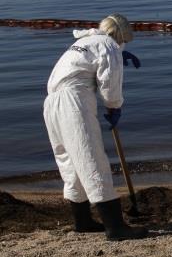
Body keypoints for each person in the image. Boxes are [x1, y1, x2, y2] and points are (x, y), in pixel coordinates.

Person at [43, 13, 147, 241]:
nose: (123, 45)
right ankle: (116, 228)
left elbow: (89, 66)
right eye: (124, 41)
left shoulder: (82, 42)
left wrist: (118, 55)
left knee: (70, 161)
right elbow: (109, 84)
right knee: (91, 158)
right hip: (73, 102)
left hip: (51, 102)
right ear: (119, 35)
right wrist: (114, 107)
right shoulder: (108, 44)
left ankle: (83, 222)